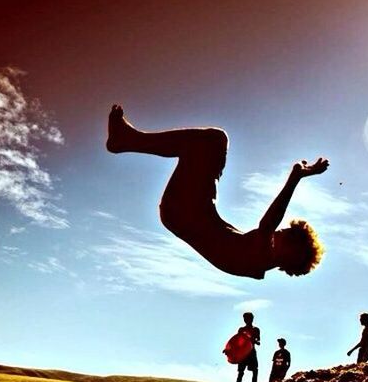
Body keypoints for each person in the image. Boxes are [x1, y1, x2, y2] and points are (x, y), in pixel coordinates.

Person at [106, 104, 327, 279]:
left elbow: (268, 224)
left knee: (213, 141)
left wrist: (294, 178)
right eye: (285, 231)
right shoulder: (258, 257)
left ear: (291, 256)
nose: (280, 232)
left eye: (286, 236)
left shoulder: (260, 258)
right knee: (211, 144)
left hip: (185, 212)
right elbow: (267, 229)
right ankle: (128, 140)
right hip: (191, 210)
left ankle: (127, 140)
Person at [234, 312, 261, 382]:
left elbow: (258, 341)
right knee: (240, 372)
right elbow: (235, 341)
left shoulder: (256, 329)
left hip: (252, 352)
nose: (246, 320)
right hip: (243, 354)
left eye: (248, 318)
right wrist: (228, 350)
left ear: (252, 319)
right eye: (245, 318)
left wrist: (254, 340)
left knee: (255, 370)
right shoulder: (241, 329)